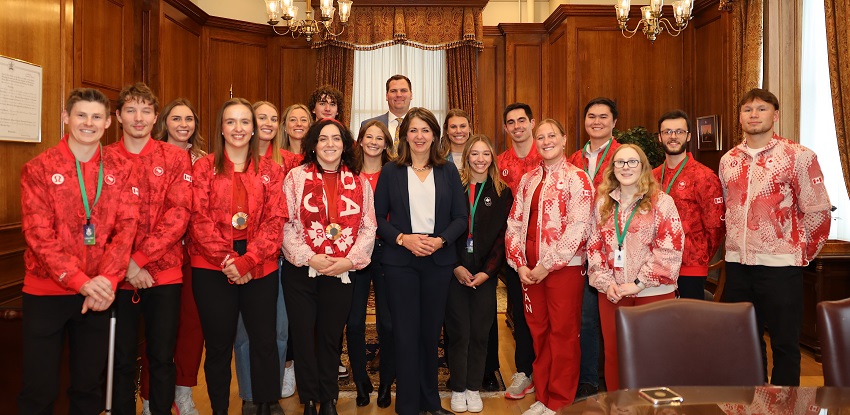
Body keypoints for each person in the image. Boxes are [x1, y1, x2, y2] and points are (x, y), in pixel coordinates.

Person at [18, 88, 141, 414]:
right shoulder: (39, 168)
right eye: (81, 115)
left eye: (96, 117)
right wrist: (81, 281)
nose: (89, 123)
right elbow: (38, 235)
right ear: (66, 118)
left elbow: (126, 229)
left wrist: (108, 280)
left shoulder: (120, 169)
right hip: (47, 293)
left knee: (88, 388)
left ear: (106, 125)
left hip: (99, 293)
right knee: (38, 389)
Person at [719, 88, 831, 386]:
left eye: (761, 109)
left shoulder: (798, 156)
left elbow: (818, 211)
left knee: (784, 344)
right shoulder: (729, 159)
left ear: (775, 115)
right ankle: (753, 403)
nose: (753, 114)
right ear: (740, 116)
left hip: (781, 267)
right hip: (737, 265)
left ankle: (785, 405)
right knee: (745, 344)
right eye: (747, 109)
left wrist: (801, 253)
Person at [189, 98, 285, 415]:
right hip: (212, 265)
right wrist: (229, 261)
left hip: (260, 262)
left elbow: (275, 221)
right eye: (231, 121)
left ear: (254, 128)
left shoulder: (271, 170)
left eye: (245, 121)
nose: (238, 128)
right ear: (221, 127)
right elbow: (198, 220)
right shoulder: (203, 167)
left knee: (264, 341)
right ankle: (219, 409)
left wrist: (246, 261)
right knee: (218, 346)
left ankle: (267, 404)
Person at [374, 107, 467, 415]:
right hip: (401, 262)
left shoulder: (448, 170)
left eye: (425, 130)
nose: (419, 136)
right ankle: (409, 404)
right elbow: (376, 218)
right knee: (404, 333)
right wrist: (404, 239)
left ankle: (430, 400)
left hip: (438, 262)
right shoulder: (391, 171)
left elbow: (460, 217)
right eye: (413, 130)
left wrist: (440, 241)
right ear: (404, 136)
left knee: (429, 334)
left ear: (434, 135)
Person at [106, 83, 192, 415]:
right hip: (117, 277)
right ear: (118, 116)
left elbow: (179, 215)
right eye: (130, 109)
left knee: (161, 357)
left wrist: (139, 260)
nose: (138, 117)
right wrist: (126, 264)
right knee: (122, 358)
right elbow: (98, 219)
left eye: (145, 110)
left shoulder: (174, 157)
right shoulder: (104, 158)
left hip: (165, 276)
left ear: (156, 116)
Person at [281, 118, 377, 415]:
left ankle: (329, 399)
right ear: (313, 144)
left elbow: (368, 226)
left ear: (345, 145)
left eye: (336, 139)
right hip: (301, 271)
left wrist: (349, 260)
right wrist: (310, 257)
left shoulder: (359, 181)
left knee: (329, 337)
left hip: (341, 271)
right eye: (323, 139)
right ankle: (309, 399)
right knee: (304, 335)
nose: (330, 144)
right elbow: (285, 224)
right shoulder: (295, 177)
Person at [505, 119, 594, 415]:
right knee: (538, 332)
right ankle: (542, 396)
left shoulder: (578, 178)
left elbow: (579, 227)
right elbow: (515, 222)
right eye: (540, 137)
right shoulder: (529, 179)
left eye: (551, 135)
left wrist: (546, 264)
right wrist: (519, 263)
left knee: (563, 333)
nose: (546, 141)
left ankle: (559, 400)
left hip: (563, 270)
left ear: (565, 139)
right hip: (529, 272)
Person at [588, 144, 685, 392]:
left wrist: (638, 284)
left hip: (652, 293)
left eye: (632, 162)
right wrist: (606, 282)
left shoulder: (662, 202)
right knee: (615, 356)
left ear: (643, 167)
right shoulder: (602, 204)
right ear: (612, 169)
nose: (626, 167)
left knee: (652, 356)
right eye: (620, 162)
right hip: (612, 293)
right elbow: (593, 246)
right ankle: (618, 407)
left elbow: (669, 248)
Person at [139, 98, 207, 415]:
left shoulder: (205, 161)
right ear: (164, 121)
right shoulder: (149, 155)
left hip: (196, 256)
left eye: (189, 119)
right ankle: (152, 397)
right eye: (176, 118)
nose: (183, 124)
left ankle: (183, 392)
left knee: (192, 329)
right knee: (158, 333)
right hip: (156, 257)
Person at [447, 135, 513, 414]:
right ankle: (458, 388)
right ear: (466, 157)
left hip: (485, 275)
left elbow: (502, 237)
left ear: (492, 158)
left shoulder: (502, 191)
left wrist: (488, 273)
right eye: (475, 153)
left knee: (480, 332)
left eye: (486, 154)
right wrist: (455, 265)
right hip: (456, 271)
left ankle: (473, 388)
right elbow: (443, 229)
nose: (480, 159)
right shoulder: (453, 188)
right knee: (458, 332)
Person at [232, 101, 289, 415]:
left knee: (278, 330)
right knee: (245, 332)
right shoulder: (235, 159)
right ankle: (250, 395)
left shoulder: (287, 160)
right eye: (261, 117)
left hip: (278, 258)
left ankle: (271, 392)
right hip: (243, 258)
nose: (267, 122)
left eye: (273, 117)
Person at [566, 97, 622, 400]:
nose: (596, 121)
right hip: (577, 251)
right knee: (582, 317)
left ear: (614, 122)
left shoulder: (624, 156)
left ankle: (611, 379)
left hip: (613, 250)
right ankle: (586, 378)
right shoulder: (573, 159)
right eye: (591, 116)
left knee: (609, 318)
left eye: (603, 116)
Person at [346, 120, 396, 408]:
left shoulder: (394, 173)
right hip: (354, 255)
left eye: (380, 138)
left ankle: (387, 382)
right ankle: (362, 383)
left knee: (388, 324)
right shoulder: (349, 173)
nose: (374, 142)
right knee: (353, 323)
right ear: (360, 141)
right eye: (369, 137)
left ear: (386, 143)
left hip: (387, 254)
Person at [652, 110, 725, 300]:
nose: (673, 136)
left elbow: (715, 227)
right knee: (660, 322)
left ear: (689, 136)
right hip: (656, 263)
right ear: (660, 137)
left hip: (690, 265)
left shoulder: (704, 176)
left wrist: (698, 255)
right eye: (667, 132)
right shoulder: (651, 177)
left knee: (690, 324)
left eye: (679, 131)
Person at [496, 102, 540, 400]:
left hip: (550, 254)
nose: (517, 126)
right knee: (522, 314)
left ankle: (548, 371)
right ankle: (524, 371)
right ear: (505, 128)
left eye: (522, 120)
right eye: (511, 122)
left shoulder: (548, 156)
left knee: (551, 316)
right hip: (513, 254)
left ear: (532, 123)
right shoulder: (499, 163)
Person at [279, 103, 314, 397]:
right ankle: (287, 366)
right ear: (285, 124)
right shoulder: (276, 158)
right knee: (284, 315)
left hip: (310, 248)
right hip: (277, 245)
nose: (298, 123)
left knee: (306, 316)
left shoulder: (317, 158)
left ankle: (308, 367)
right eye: (293, 118)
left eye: (304, 119)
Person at [361, 74, 413, 153]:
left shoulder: (422, 127)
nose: (399, 95)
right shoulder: (367, 125)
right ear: (386, 96)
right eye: (393, 91)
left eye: (403, 90)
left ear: (411, 95)